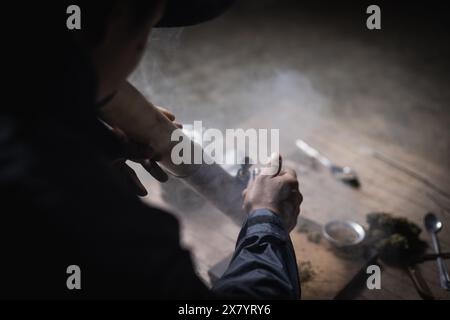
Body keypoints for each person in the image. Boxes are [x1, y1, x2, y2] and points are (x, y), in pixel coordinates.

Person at [0, 0, 302, 299]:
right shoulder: (95, 218)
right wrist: (266, 220)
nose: (141, 47)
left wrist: (89, 132)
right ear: (111, 23)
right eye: (145, 29)